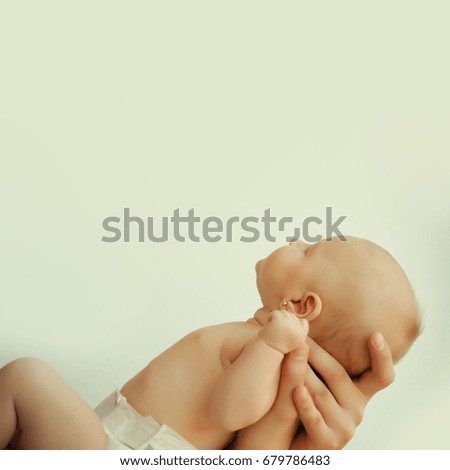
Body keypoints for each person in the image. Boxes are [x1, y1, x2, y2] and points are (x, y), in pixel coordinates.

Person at [0, 236, 420, 450]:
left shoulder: (270, 355)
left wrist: (272, 345)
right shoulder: (259, 343)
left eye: (307, 250)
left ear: (302, 304)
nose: (294, 240)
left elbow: (231, 410)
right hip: (115, 441)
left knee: (27, 378)